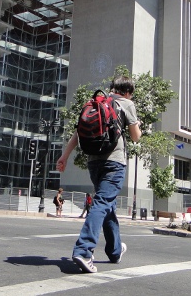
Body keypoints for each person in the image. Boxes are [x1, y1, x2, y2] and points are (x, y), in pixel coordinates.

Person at [57, 75, 141, 273]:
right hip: (114, 162)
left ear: (112, 87)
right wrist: (139, 125)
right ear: (128, 91)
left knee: (107, 207)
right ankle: (84, 250)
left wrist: (65, 156)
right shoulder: (127, 103)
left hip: (94, 162)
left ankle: (115, 250)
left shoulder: (95, 103)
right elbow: (135, 137)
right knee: (102, 203)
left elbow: (78, 133)